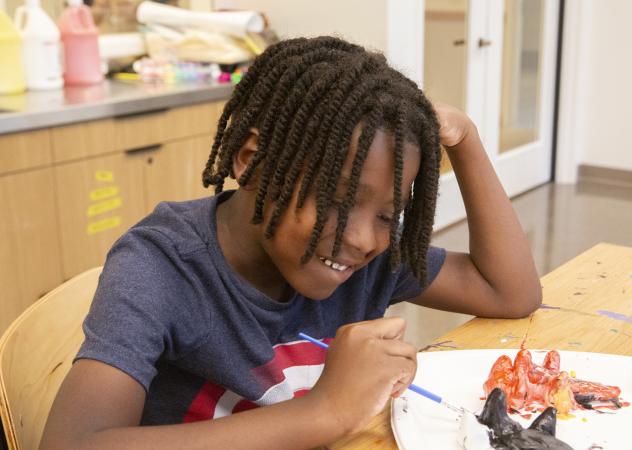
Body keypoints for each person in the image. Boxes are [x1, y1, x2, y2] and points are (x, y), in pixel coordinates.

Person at [40, 36, 541, 449]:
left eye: (390, 214)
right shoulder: (162, 267)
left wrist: (467, 141)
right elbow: (71, 443)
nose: (366, 238)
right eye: (340, 203)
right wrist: (324, 412)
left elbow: (509, 292)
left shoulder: (366, 259)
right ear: (251, 160)